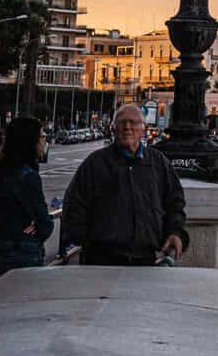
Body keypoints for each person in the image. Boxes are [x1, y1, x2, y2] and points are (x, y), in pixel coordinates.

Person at [60, 104, 188, 268]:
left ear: (144, 129)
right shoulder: (95, 164)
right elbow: (74, 206)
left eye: (133, 122)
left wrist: (175, 232)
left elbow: (175, 203)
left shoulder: (158, 163)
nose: (127, 127)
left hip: (145, 261)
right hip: (101, 262)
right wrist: (85, 242)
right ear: (113, 129)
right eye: (122, 122)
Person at [0, 116, 55, 280]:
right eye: (42, 136)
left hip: (0, 256)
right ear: (31, 141)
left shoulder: (1, 175)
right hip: (23, 255)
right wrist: (37, 226)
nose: (44, 141)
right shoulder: (29, 176)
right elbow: (46, 225)